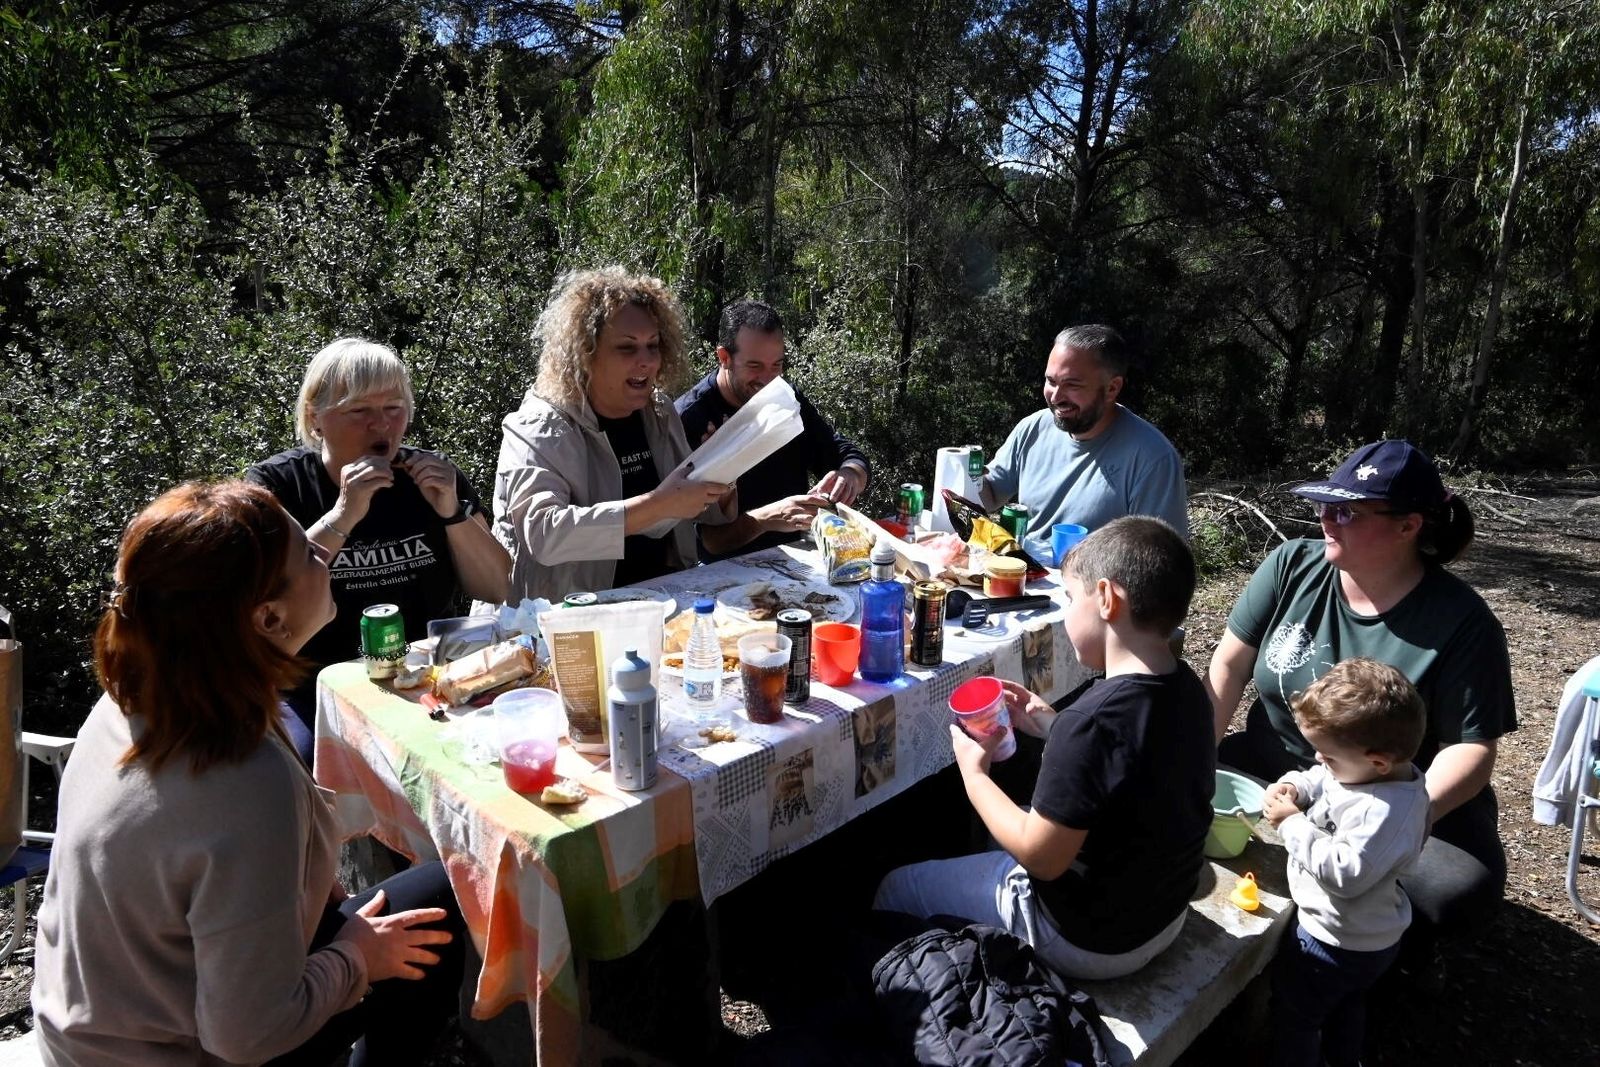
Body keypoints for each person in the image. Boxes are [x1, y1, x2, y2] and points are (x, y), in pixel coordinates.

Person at [31, 481, 465, 1066]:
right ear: (268, 617)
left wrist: (314, 898)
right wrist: (357, 957)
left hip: (91, 1029)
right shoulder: (244, 778)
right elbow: (244, 1036)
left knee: (410, 910)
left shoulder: (136, 696)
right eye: (309, 553)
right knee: (440, 908)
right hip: (173, 1052)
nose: (325, 553)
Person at [1206, 439, 1516, 966]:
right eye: (1325, 506)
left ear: (1408, 525)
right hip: (1277, 761)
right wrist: (1195, 755)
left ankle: (1383, 961)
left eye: (1347, 510)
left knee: (1454, 890)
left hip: (1390, 792)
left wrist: (1399, 821)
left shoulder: (1462, 622)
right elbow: (1228, 667)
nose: (1328, 519)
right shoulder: (1291, 567)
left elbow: (1471, 751)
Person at [873, 517, 1214, 979]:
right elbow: (1131, 759)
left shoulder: (1091, 721)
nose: (1068, 611)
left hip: (1088, 940)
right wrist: (1051, 725)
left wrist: (975, 776)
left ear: (1108, 599)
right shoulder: (1187, 687)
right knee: (1005, 829)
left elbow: (1041, 858)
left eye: (1071, 598)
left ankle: (914, 994)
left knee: (896, 889)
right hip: (1162, 917)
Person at [246, 338, 510, 761]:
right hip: (312, 684)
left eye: (393, 408)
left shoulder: (433, 478)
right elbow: (269, 602)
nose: (381, 426)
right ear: (316, 419)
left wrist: (451, 512)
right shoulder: (276, 487)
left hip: (426, 677)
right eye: (359, 411)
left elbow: (498, 586)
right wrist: (343, 515)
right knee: (302, 760)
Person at [493, 267, 734, 603]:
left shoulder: (659, 412)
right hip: (561, 626)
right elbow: (544, 534)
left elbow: (693, 511)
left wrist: (723, 473)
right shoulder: (538, 427)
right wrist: (657, 504)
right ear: (584, 354)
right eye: (627, 348)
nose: (647, 361)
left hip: (660, 606)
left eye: (653, 345)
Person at [1262, 658, 1431, 1067]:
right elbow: (1322, 780)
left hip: (1334, 942)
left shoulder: (1384, 814)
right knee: (1345, 1008)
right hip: (1365, 939)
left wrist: (1292, 824)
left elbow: (1345, 874)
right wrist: (1295, 787)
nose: (1320, 762)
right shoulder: (1368, 772)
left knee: (1296, 1018)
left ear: (1377, 762)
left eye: (1328, 756)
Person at [675, 299, 871, 560]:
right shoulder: (689, 418)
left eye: (776, 366)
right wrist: (766, 519)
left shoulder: (786, 399)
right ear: (724, 357)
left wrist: (850, 477)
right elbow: (706, 541)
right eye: (755, 366)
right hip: (722, 575)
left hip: (797, 560)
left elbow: (843, 452)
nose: (768, 381)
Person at [981, 324, 1188, 537]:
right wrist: (961, 472)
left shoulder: (1152, 458)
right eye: (1051, 381)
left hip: (1097, 571)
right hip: (1020, 568)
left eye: (1072, 385)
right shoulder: (1032, 429)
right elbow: (989, 494)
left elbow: (1161, 558)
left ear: (1112, 388)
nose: (1056, 397)